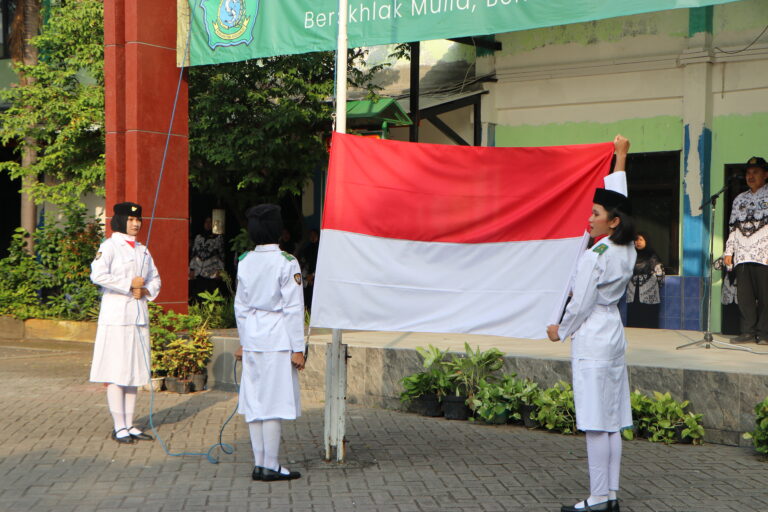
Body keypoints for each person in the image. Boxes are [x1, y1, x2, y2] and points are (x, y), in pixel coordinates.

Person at [547, 135, 636, 512]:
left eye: (596, 214)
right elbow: (621, 201)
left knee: (596, 422)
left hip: (593, 334)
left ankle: (598, 497)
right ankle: (610, 494)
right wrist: (620, 158)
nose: (589, 218)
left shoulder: (595, 255)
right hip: (612, 332)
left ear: (611, 222)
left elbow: (581, 302)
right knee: (612, 420)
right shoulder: (626, 246)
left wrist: (560, 328)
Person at [234, 204, 306, 482]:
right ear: (277, 229)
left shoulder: (245, 260)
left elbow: (240, 306)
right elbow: (293, 308)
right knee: (274, 403)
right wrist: (298, 348)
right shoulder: (287, 262)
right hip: (277, 336)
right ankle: (271, 465)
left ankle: (259, 463)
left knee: (255, 402)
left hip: (253, 335)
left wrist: (243, 340)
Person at [90, 202, 161, 444]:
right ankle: (118, 426)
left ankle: (130, 424)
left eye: (138, 219)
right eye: (131, 220)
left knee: (134, 372)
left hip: (138, 318)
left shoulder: (143, 250)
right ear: (121, 220)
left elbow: (155, 278)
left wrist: (146, 290)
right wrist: (129, 285)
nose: (136, 223)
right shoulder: (109, 246)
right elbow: (98, 275)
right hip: (116, 318)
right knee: (116, 371)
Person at [724, 156, 768, 345]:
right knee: (745, 297)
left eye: (755, 172)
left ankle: (764, 333)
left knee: (766, 297)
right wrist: (729, 252)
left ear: (765, 175)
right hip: (743, 255)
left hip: (764, 255)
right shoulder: (739, 199)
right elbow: (733, 228)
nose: (751, 176)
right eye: (748, 173)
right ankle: (748, 332)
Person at [626, 232, 664, 328]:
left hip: (648, 294)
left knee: (648, 321)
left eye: (641, 240)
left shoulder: (652, 256)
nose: (638, 242)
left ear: (646, 241)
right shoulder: (631, 256)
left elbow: (660, 274)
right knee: (634, 321)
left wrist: (649, 284)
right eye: (636, 240)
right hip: (633, 295)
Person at [189, 216, 226, 301]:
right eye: (206, 222)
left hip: (211, 272)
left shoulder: (218, 238)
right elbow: (194, 253)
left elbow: (221, 255)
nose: (208, 224)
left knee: (210, 296)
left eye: (210, 222)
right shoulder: (198, 237)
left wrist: (220, 271)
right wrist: (191, 269)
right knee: (198, 296)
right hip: (198, 271)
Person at [299, 228, 320, 311]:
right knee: (306, 299)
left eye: (314, 235)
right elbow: (303, 262)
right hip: (306, 278)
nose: (312, 237)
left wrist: (313, 275)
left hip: (316, 278)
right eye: (311, 235)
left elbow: (320, 264)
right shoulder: (307, 249)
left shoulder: (320, 249)